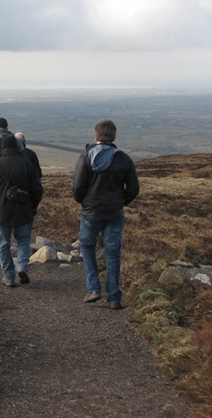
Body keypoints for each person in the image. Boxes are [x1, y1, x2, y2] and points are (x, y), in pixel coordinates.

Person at [72, 119, 139, 310]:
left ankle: (93, 289)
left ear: (96, 136)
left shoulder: (85, 157)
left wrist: (84, 202)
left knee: (87, 247)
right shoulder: (123, 158)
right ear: (113, 136)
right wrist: (121, 201)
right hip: (114, 212)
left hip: (91, 211)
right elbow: (134, 187)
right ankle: (114, 297)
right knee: (113, 252)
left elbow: (77, 187)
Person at [0, 135, 44, 287]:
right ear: (17, 147)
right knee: (23, 240)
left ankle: (9, 277)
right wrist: (33, 206)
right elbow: (37, 189)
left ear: (3, 148)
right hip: (24, 211)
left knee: (3, 244)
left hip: (2, 212)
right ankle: (22, 266)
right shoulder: (27, 164)